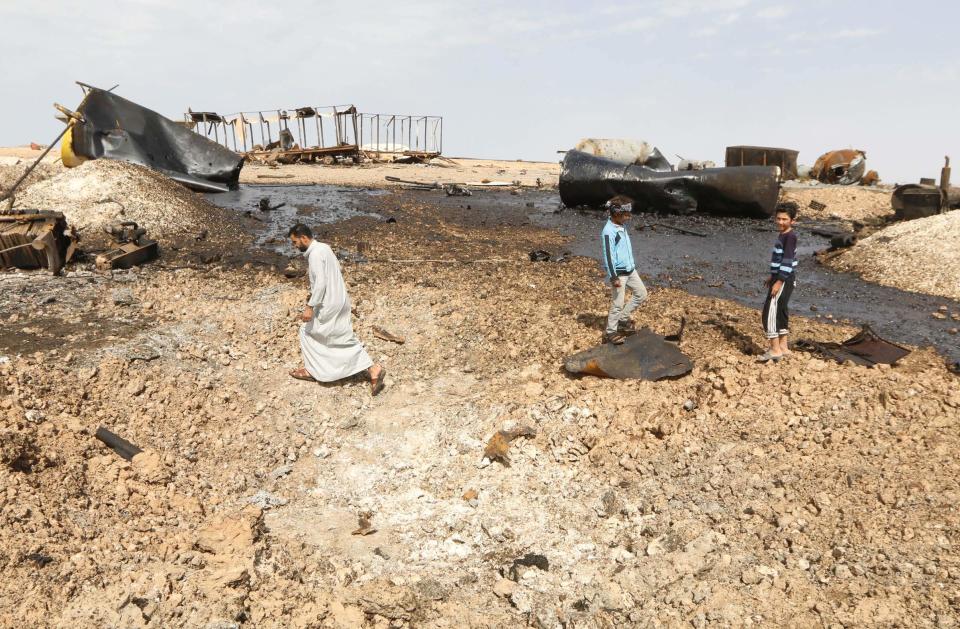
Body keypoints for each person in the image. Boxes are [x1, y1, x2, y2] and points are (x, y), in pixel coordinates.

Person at [287, 223, 386, 394]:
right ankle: (372, 369)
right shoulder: (325, 248)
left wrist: (310, 306)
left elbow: (320, 284)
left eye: (295, 242)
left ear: (304, 238)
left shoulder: (315, 254)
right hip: (341, 300)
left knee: (307, 332)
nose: (295, 247)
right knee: (342, 337)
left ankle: (312, 370)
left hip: (328, 304)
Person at [600, 196, 648, 344]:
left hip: (630, 269)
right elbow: (609, 255)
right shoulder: (609, 231)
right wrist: (613, 276)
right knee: (617, 303)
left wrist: (631, 265)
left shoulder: (621, 226)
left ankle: (623, 318)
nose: (629, 217)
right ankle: (610, 332)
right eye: (626, 215)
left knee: (641, 293)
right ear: (616, 214)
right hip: (619, 273)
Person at [758, 203, 799, 362]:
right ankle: (783, 346)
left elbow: (788, 261)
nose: (780, 222)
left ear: (792, 221)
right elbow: (782, 259)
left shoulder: (790, 237)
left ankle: (775, 350)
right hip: (783, 277)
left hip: (784, 279)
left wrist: (779, 281)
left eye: (785, 219)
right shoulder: (784, 235)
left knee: (769, 313)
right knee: (781, 310)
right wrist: (772, 276)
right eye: (778, 218)